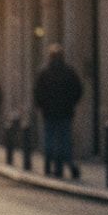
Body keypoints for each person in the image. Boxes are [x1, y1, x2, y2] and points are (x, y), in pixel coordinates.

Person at [34, 44, 83, 179]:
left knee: (49, 139)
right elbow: (78, 90)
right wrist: (71, 103)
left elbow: (38, 92)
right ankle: (62, 167)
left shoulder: (44, 73)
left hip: (49, 113)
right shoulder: (69, 72)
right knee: (64, 141)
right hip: (65, 112)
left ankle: (49, 166)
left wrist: (41, 106)